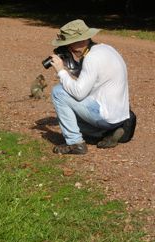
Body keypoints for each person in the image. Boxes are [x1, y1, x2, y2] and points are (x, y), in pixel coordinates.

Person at [49, 19, 133, 155]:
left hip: (106, 116)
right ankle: (109, 132)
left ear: (80, 41)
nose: (69, 49)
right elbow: (90, 77)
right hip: (120, 115)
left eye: (69, 45)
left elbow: (79, 93)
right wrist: (69, 67)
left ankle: (75, 143)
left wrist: (61, 71)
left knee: (58, 92)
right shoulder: (105, 48)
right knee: (69, 118)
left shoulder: (91, 58)